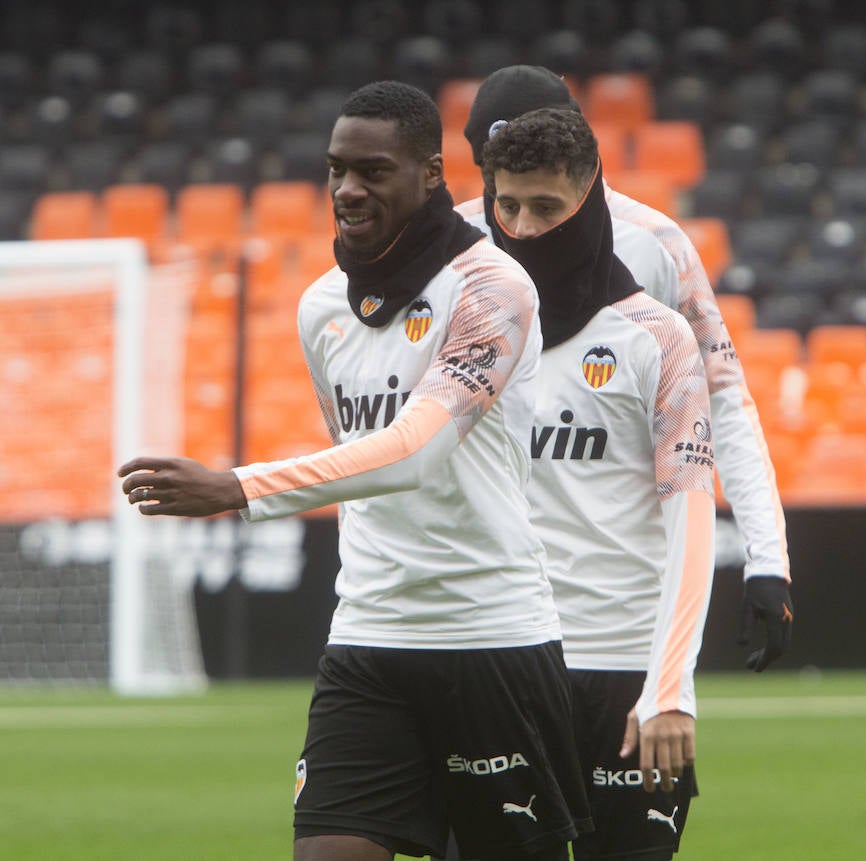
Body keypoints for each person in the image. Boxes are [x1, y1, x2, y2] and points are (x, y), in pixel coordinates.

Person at [117, 80, 590, 861]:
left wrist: (238, 487)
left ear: (432, 174)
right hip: (368, 636)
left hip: (491, 638)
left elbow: (413, 451)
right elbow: (357, 461)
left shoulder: (493, 288)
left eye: (372, 171)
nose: (347, 189)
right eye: (336, 169)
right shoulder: (321, 307)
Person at [457, 65, 793, 674]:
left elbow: (722, 402)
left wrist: (766, 559)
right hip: (487, 614)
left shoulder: (653, 244)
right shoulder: (456, 245)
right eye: (493, 169)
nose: (517, 214)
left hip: (615, 618)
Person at [477, 105, 715, 860]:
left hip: (625, 674)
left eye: (545, 207)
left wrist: (670, 685)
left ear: (590, 201)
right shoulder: (468, 332)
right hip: (506, 664)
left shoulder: (655, 337)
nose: (521, 226)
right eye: (506, 205)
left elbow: (693, 516)